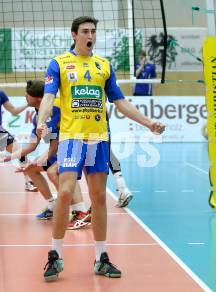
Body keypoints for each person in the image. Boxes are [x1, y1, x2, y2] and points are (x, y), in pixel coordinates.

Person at [38, 16, 165, 281]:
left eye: (93, 31)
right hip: (71, 138)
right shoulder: (59, 63)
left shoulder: (103, 66)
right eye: (85, 31)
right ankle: (54, 255)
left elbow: (120, 102)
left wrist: (148, 122)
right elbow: (49, 96)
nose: (90, 35)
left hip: (99, 138)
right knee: (64, 193)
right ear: (74, 35)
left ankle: (101, 257)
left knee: (98, 198)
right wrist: (41, 121)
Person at [0, 80, 91, 227]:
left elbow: (55, 143)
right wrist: (7, 158)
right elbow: (32, 145)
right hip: (60, 148)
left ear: (37, 98)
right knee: (31, 169)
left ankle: (78, 210)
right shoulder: (37, 117)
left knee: (53, 171)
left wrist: (44, 158)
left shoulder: (56, 106)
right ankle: (53, 205)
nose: (25, 97)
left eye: (27, 95)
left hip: (79, 142)